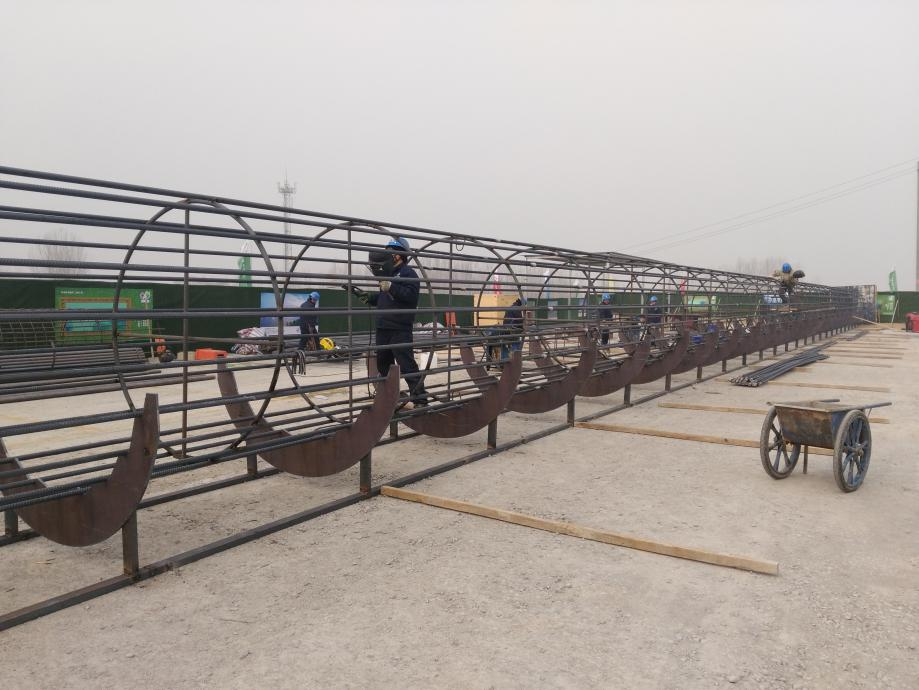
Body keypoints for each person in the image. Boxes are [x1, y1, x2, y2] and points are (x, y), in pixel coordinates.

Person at [354, 237, 428, 407]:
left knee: (407, 364)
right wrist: (368, 297)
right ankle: (390, 398)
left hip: (399, 328)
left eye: (391, 251)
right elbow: (384, 298)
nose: (387, 255)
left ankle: (420, 399)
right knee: (383, 365)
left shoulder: (408, 273)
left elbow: (410, 296)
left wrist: (392, 287)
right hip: (383, 327)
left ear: (399, 254)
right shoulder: (388, 274)